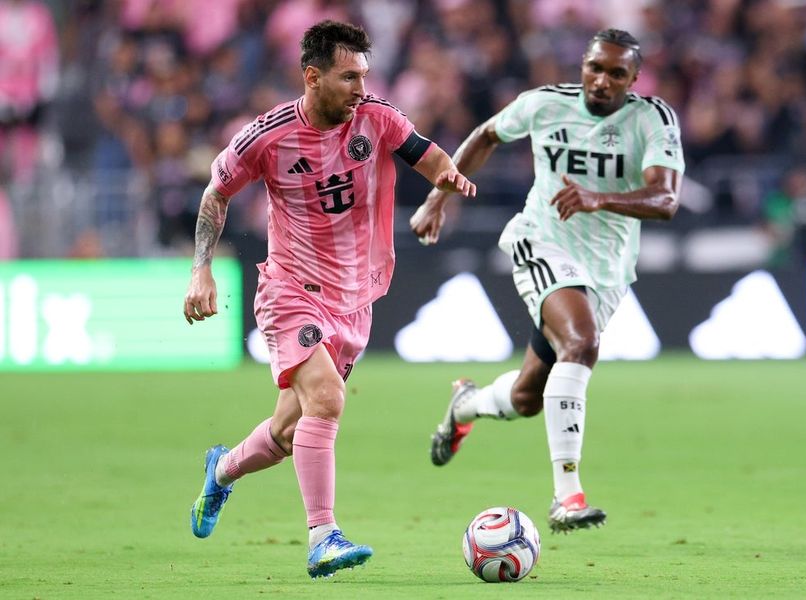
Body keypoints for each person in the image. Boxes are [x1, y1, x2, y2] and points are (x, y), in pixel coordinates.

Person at [183, 20, 475, 578]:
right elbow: (215, 195)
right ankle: (323, 536)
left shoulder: (377, 118)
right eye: (348, 78)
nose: (361, 88)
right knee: (328, 401)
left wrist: (443, 189)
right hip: (290, 289)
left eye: (364, 75)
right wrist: (202, 270)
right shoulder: (264, 137)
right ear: (312, 77)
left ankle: (221, 471)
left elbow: (429, 155)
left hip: (355, 298)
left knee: (290, 433)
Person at [411, 28, 683, 533]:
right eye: (594, 68)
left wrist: (600, 198)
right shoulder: (543, 105)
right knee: (581, 344)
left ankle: (465, 404)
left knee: (526, 399)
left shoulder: (652, 119)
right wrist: (437, 197)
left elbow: (665, 200)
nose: (601, 81)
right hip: (544, 242)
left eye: (616, 73)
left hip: (607, 267)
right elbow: (487, 135)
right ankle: (567, 497)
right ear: (583, 64)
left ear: (634, 80)